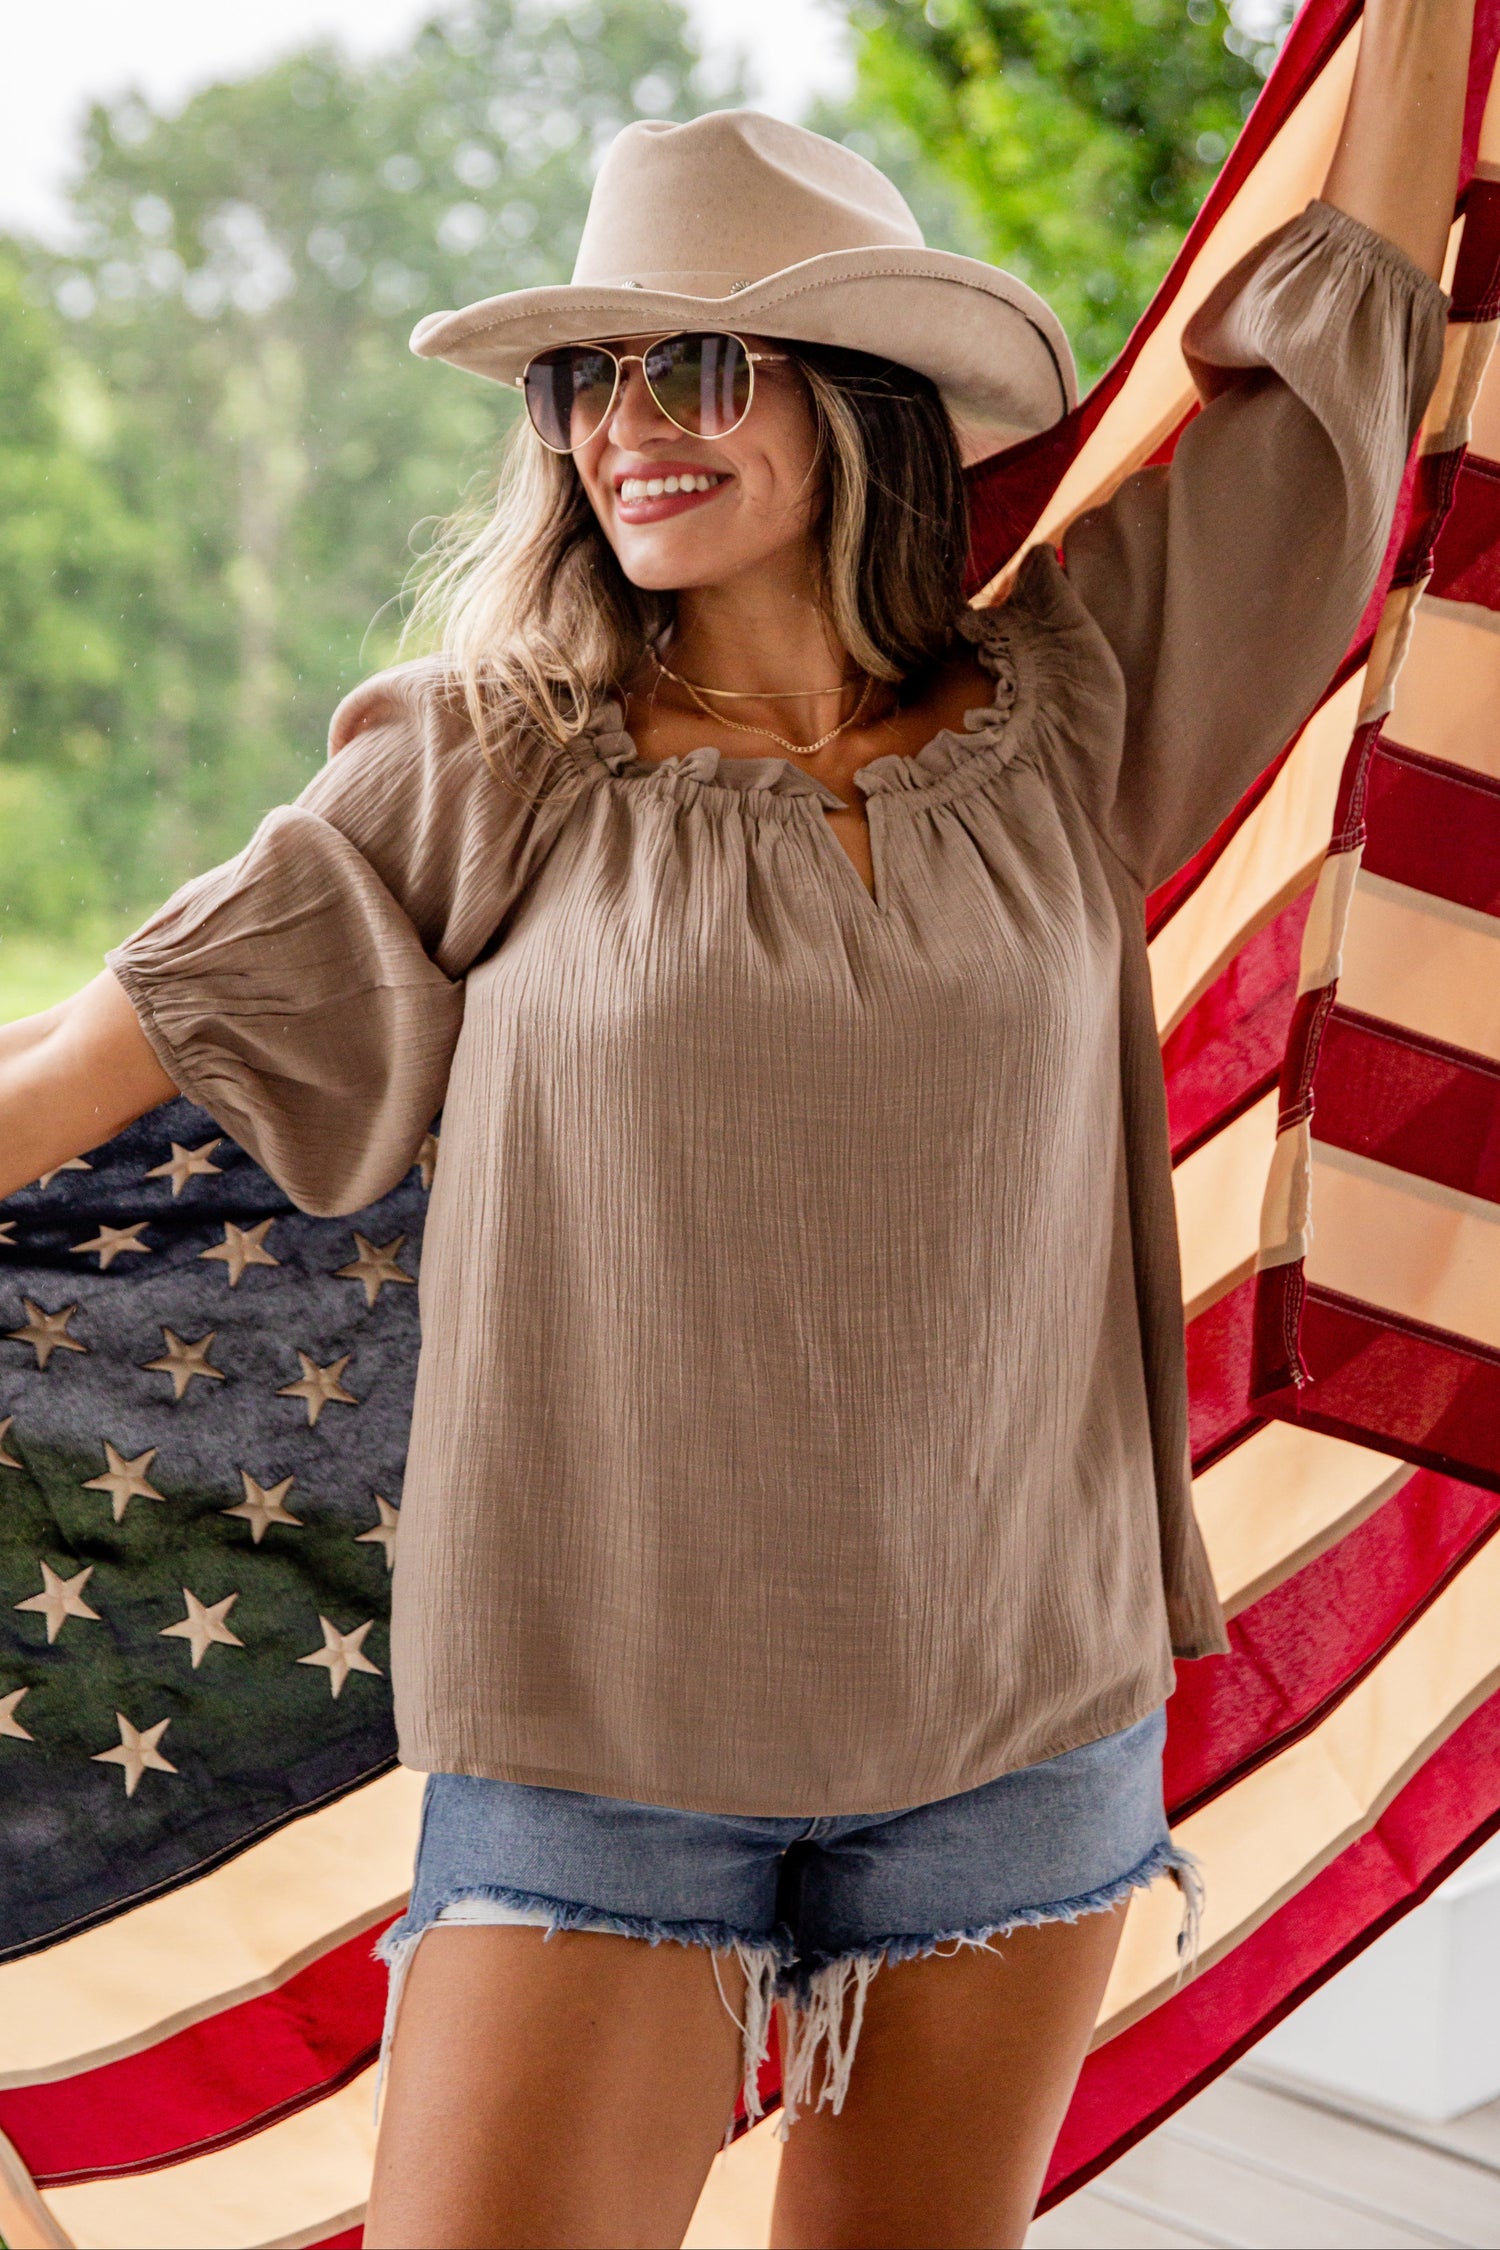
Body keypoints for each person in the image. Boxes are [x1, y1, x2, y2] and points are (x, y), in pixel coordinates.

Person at [0, 3, 1469, 2240]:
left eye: (693, 370)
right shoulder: (487, 763)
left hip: (1019, 1728)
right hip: (605, 1753)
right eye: (586, 383)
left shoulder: (1074, 709)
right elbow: (87, 1062)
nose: (620, 434)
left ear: (857, 402)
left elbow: (1340, 347)